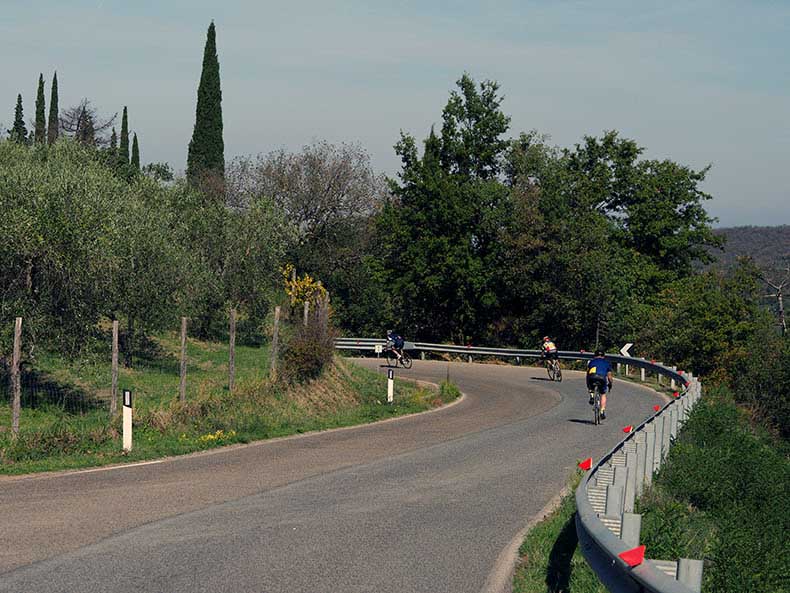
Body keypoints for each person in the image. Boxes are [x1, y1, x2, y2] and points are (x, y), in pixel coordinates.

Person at [586, 349, 613, 419]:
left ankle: (592, 396)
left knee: (590, 385)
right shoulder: (607, 363)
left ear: (595, 356)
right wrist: (610, 384)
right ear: (603, 356)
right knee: (603, 394)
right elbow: (609, 376)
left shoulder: (591, 362)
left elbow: (588, 374)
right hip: (602, 378)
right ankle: (602, 411)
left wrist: (588, 384)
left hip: (592, 377)